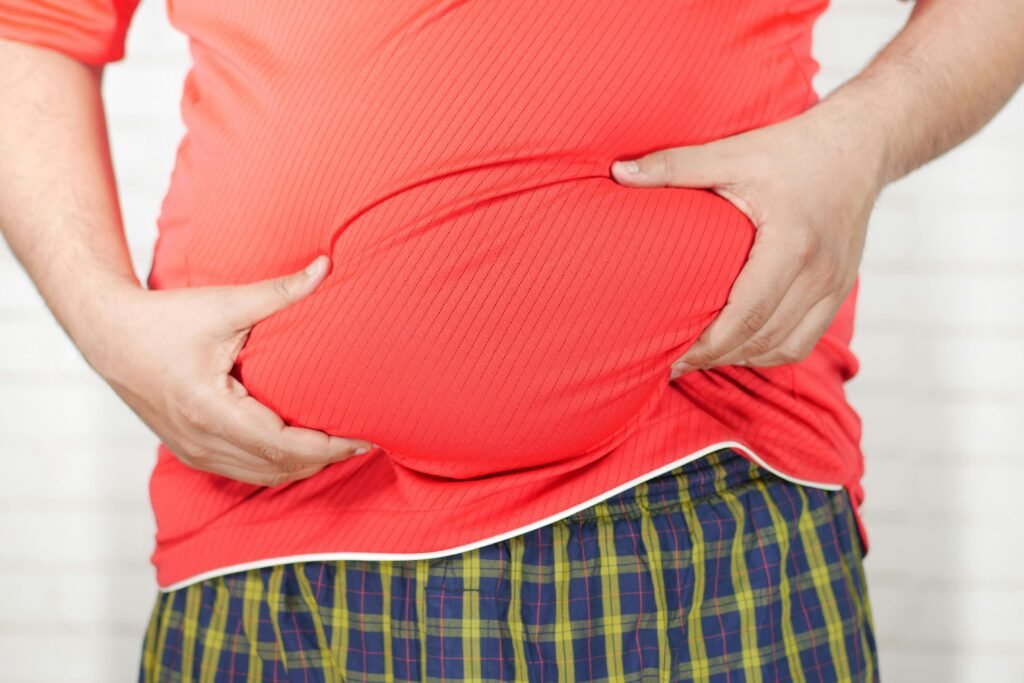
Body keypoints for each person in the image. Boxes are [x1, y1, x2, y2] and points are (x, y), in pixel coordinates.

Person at [1, 0, 1021, 679]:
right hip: (271, 528)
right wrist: (101, 316)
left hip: (708, 495)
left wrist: (868, 135)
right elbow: (31, 24)